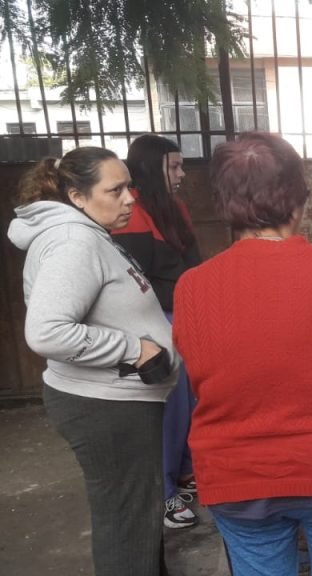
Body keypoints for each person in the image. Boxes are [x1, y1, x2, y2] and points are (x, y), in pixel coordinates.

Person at [172, 132, 312, 576]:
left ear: (223, 203)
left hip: (237, 470)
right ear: (298, 199)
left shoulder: (193, 286)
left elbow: (201, 374)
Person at [7, 146, 179, 576]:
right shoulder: (72, 241)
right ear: (77, 196)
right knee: (128, 525)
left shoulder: (86, 232)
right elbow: (46, 331)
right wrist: (133, 348)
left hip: (116, 402)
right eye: (115, 189)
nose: (130, 199)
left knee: (136, 518)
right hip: (106, 407)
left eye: (130, 187)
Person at [112, 134, 201, 529]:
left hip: (183, 314)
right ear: (151, 168)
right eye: (174, 166)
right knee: (169, 406)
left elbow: (192, 264)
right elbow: (139, 279)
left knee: (194, 399)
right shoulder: (133, 213)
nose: (181, 174)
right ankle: (163, 493)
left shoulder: (175, 208)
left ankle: (184, 471)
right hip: (155, 321)